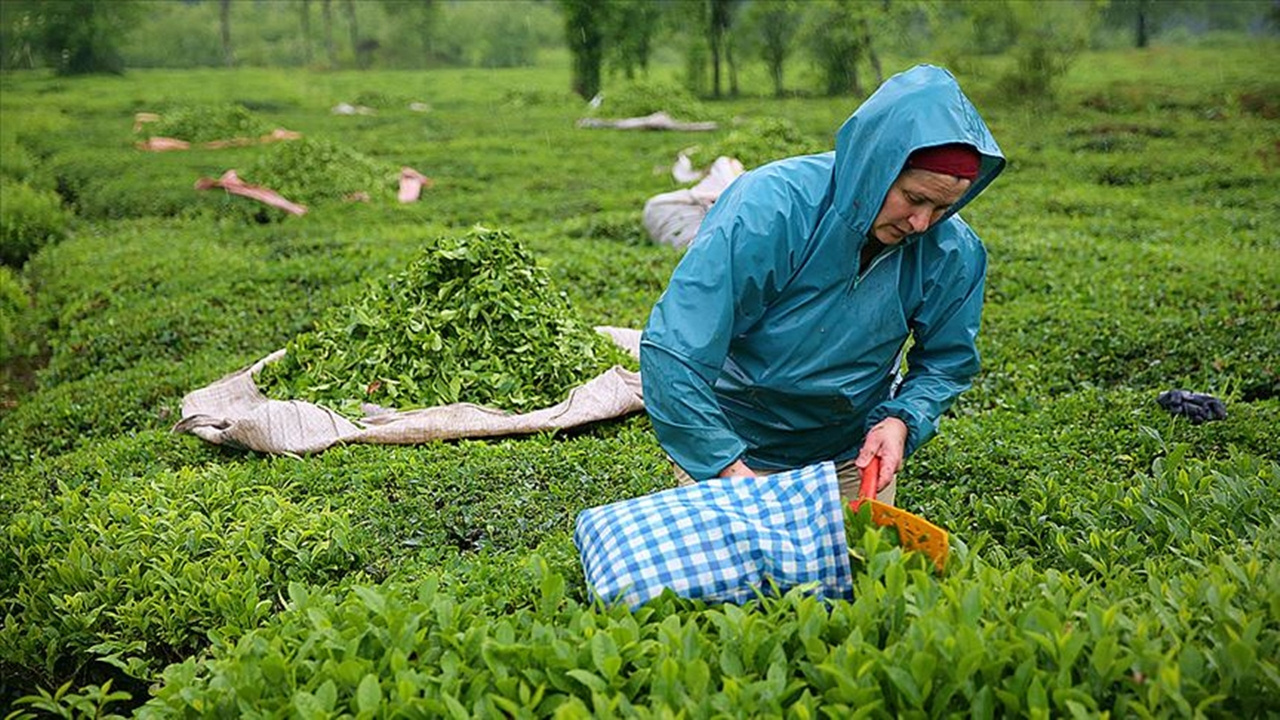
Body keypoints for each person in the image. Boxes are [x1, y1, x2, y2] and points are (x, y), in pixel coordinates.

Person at [639, 65, 1006, 505]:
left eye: (942, 207)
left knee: (860, 569)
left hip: (850, 458)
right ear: (877, 167)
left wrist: (901, 421)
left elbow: (946, 361)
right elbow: (675, 349)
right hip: (732, 445)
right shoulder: (769, 207)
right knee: (739, 572)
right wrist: (726, 467)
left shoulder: (952, 250)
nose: (921, 223)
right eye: (914, 198)